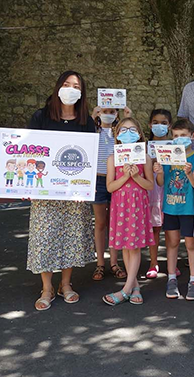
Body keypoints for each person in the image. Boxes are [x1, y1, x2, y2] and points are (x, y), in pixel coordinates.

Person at [26, 71, 97, 312]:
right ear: (58, 87)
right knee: (44, 237)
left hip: (74, 192)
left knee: (72, 236)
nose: (70, 89)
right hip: (45, 191)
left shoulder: (85, 121)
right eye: (66, 84)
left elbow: (90, 157)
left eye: (75, 86)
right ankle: (46, 287)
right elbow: (29, 153)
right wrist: (27, 186)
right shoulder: (41, 117)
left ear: (81, 92)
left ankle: (65, 284)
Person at [102, 117, 155, 306]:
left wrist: (136, 176)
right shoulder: (112, 159)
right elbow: (110, 187)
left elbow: (149, 185)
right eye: (123, 130)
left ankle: (125, 289)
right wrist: (125, 175)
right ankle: (136, 287)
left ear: (140, 134)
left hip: (137, 205)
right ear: (117, 135)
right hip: (120, 205)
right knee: (126, 245)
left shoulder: (145, 158)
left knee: (135, 246)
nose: (128, 133)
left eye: (132, 130)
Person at [154, 118, 194, 301]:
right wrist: (159, 172)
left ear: (193, 136)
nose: (179, 139)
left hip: (189, 209)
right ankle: (172, 278)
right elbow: (161, 183)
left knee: (191, 244)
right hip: (170, 207)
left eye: (183, 135)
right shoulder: (167, 157)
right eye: (175, 136)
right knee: (172, 243)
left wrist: (189, 173)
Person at [90, 106, 125, 282]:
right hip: (97, 180)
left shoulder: (120, 132)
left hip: (117, 179)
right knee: (101, 223)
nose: (108, 114)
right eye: (104, 111)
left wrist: (128, 116)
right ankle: (100, 263)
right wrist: (91, 116)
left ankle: (114, 262)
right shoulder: (93, 131)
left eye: (112, 111)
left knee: (114, 222)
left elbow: (133, 142)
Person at [144, 108, 173, 280]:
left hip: (170, 187)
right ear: (150, 125)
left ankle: (172, 262)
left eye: (163, 123)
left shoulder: (175, 146)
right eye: (155, 122)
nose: (159, 126)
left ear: (169, 126)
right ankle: (153, 262)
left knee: (171, 229)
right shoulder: (145, 147)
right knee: (154, 228)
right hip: (152, 190)